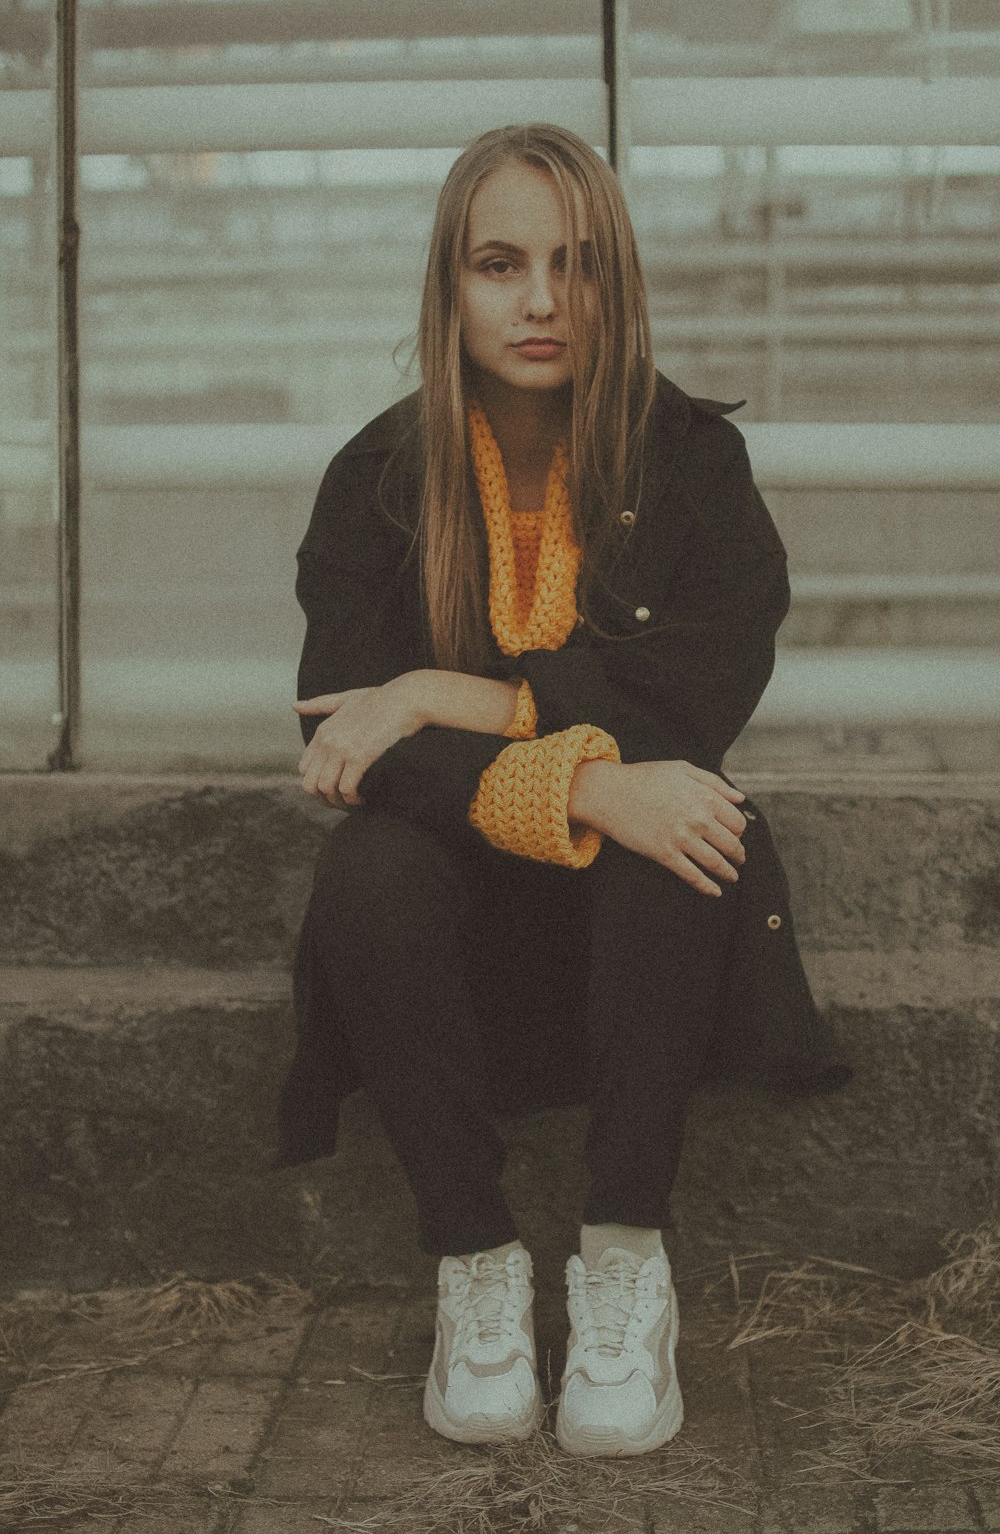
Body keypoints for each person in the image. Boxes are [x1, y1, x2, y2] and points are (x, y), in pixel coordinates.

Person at [275, 123, 850, 1459]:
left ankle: (623, 1264)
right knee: (373, 869)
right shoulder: (373, 478)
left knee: (689, 826)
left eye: (576, 266)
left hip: (635, 933)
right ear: (450, 284)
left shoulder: (693, 461)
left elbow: (694, 696)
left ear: (619, 284)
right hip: (454, 915)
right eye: (500, 263)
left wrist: (436, 691)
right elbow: (348, 742)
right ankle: (473, 1261)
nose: (541, 301)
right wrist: (587, 790)